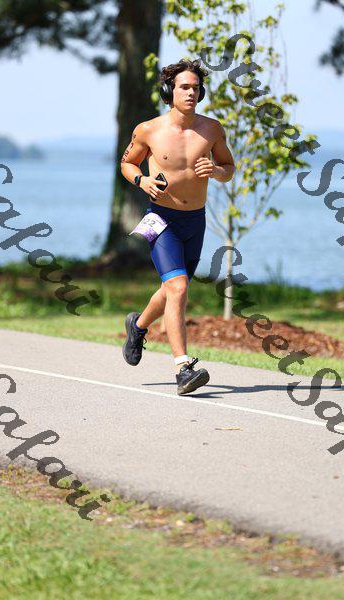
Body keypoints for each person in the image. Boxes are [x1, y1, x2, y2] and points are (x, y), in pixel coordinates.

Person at [121, 58, 235, 395]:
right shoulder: (148, 129)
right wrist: (142, 181)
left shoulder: (212, 129)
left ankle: (138, 326)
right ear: (169, 91)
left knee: (171, 289)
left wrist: (216, 171)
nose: (191, 93)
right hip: (161, 219)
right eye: (184, 87)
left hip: (195, 221)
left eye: (196, 88)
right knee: (179, 288)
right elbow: (127, 163)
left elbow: (228, 167)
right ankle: (183, 368)